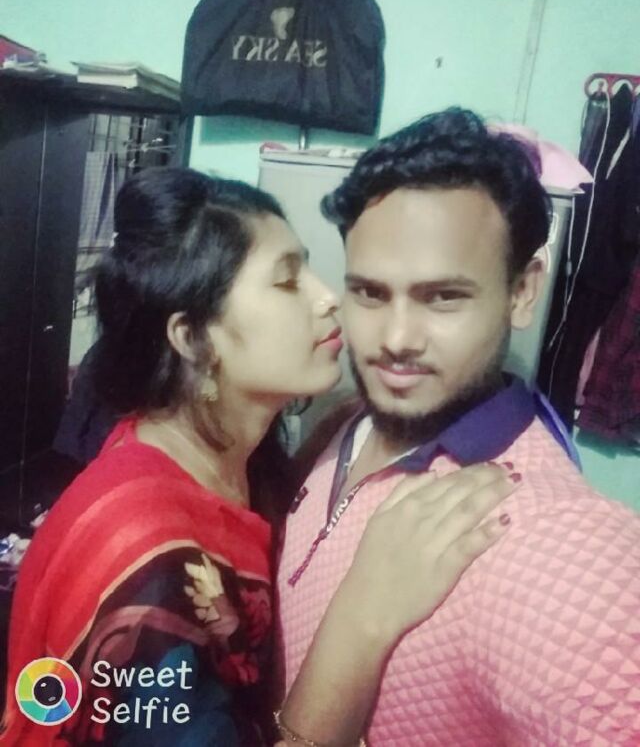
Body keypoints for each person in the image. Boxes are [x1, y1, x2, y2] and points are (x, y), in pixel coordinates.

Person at [0, 167, 518, 746]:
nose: (328, 297)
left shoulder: (227, 457)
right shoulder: (150, 564)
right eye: (287, 280)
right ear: (193, 338)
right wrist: (363, 616)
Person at [277, 108, 640, 746]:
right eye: (370, 293)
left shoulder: (569, 550)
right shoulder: (347, 421)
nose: (395, 339)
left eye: (443, 296)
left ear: (522, 291)